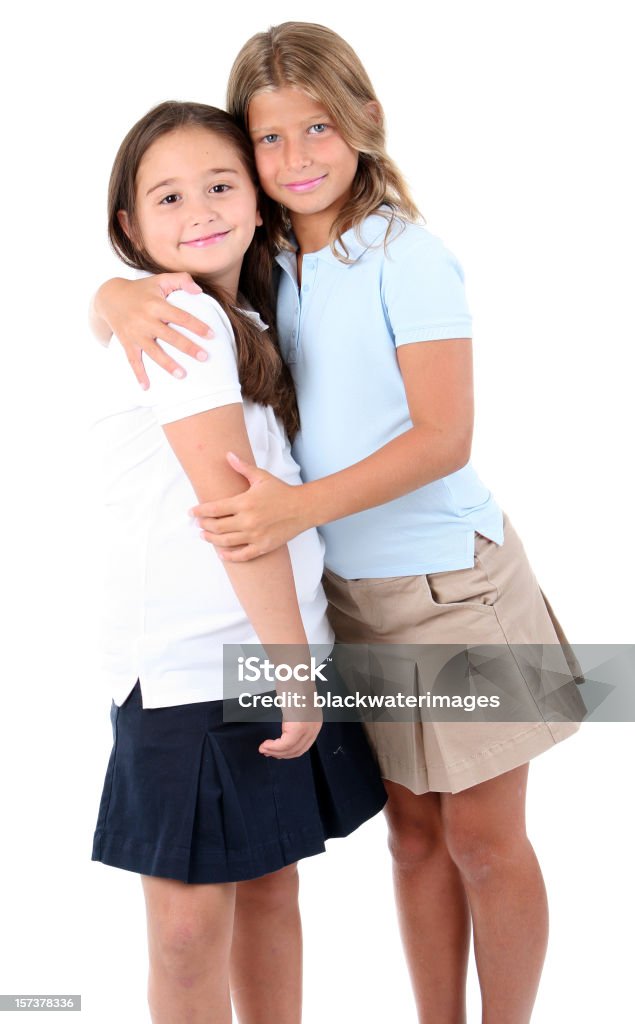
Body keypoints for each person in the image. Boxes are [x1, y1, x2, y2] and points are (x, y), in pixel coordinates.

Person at [90, 24, 586, 1024]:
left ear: (365, 121)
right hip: (344, 603)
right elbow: (165, 281)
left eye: (318, 127)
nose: (296, 157)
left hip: (456, 587)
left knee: (483, 843)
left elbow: (445, 436)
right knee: (409, 840)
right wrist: (113, 294)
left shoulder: (408, 254)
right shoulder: (268, 263)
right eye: (268, 139)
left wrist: (292, 509)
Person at [90, 98, 387, 1024]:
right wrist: (295, 674)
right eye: (169, 197)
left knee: (268, 891)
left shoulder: (243, 314)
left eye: (220, 185)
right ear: (132, 228)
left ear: (257, 200)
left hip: (256, 646)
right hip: (190, 669)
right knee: (186, 934)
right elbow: (236, 516)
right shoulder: (180, 319)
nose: (202, 210)